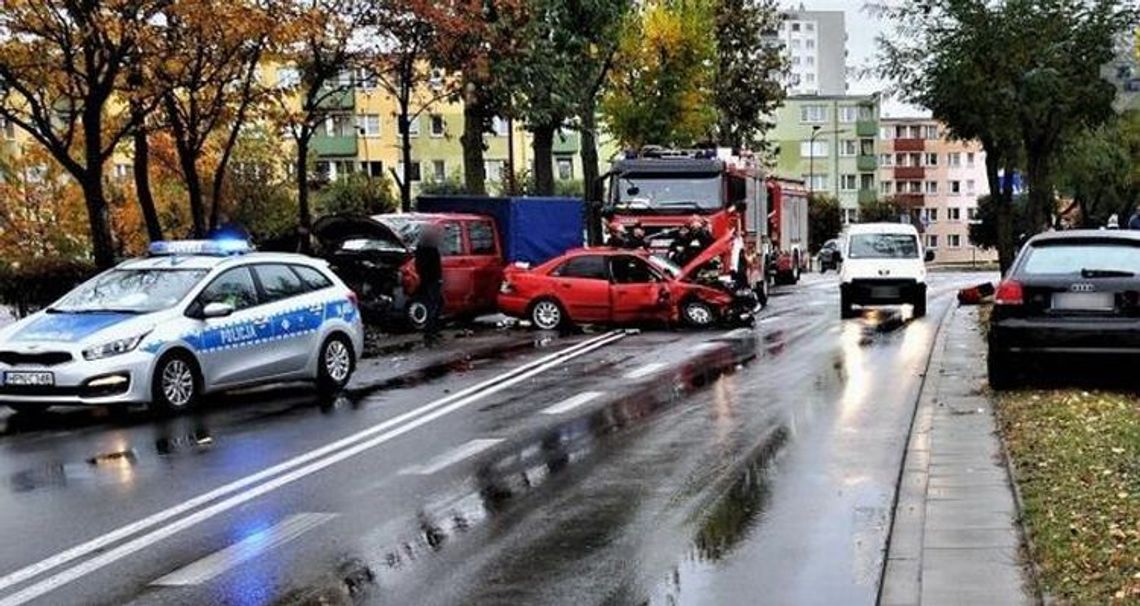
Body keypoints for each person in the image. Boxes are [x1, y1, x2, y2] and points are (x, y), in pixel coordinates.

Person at [415, 225, 444, 345]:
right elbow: (436, 266)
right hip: (432, 281)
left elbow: (419, 266)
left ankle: (432, 331)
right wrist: (438, 279)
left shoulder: (420, 249)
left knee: (432, 304)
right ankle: (431, 332)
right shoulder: (431, 249)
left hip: (424, 281)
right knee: (434, 305)